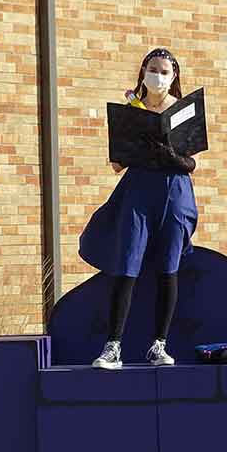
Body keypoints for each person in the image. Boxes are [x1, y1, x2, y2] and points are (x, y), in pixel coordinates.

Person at [79, 48, 198, 369]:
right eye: (152, 69)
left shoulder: (182, 110)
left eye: (164, 71)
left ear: (174, 76)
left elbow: (191, 162)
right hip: (138, 189)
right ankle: (113, 346)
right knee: (127, 261)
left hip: (174, 191)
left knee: (168, 265)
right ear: (143, 71)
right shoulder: (131, 110)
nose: (157, 76)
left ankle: (159, 344)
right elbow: (117, 164)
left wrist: (171, 155)